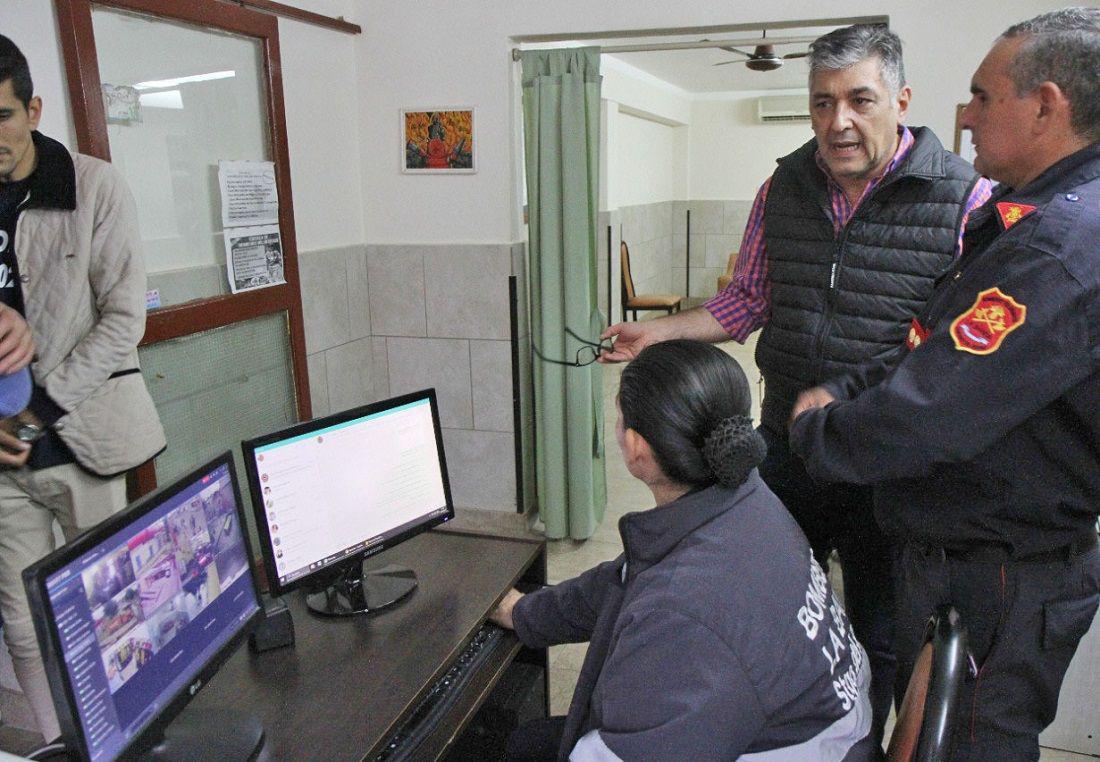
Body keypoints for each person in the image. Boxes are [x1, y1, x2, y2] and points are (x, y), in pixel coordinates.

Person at [597, 24, 991, 743]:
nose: (838, 122)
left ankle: (858, 745)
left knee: (877, 630)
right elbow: (746, 299)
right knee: (770, 604)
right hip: (784, 445)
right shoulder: (782, 187)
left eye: (860, 100)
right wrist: (655, 331)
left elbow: (959, 351)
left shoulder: (965, 202)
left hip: (887, 462)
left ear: (900, 99)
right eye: (821, 103)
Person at [789, 8, 1100, 758]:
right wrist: (844, 390)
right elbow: (935, 348)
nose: (965, 115)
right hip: (956, 558)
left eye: (982, 96)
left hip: (995, 575)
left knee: (966, 746)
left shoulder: (1059, 246)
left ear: (1047, 105)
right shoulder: (1024, 219)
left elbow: (929, 411)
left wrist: (816, 429)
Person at [491, 340, 875, 761]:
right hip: (816, 722)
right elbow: (623, 580)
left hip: (796, 744)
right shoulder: (745, 499)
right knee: (527, 742)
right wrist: (523, 612)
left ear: (637, 448)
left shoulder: (684, 613)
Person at [0, 35, 165, 740]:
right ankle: (59, 747)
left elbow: (125, 321)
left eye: (1, 117)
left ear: (32, 109)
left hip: (80, 439)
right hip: (2, 465)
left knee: (114, 606)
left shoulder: (93, 186)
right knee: (23, 621)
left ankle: (138, 733)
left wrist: (36, 413)